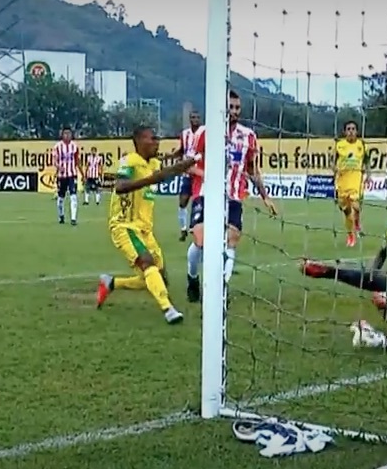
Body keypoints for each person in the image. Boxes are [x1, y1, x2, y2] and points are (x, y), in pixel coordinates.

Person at [96, 126, 199, 324]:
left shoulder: (154, 163)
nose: (157, 141)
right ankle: (168, 310)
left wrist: (192, 161)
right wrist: (151, 179)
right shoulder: (129, 161)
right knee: (147, 263)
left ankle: (111, 283)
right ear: (139, 141)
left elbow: (168, 171)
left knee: (157, 277)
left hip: (145, 229)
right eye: (152, 138)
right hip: (125, 226)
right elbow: (119, 187)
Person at [185, 90, 278, 302]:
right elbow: (189, 165)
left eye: (237, 108)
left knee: (231, 240)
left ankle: (222, 289)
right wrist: (210, 175)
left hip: (234, 196)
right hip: (206, 194)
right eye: (230, 107)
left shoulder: (248, 137)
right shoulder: (205, 133)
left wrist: (265, 197)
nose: (234, 111)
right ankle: (192, 276)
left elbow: (253, 170)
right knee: (201, 241)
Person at [334, 120, 368, 246]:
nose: (351, 131)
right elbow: (333, 161)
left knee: (356, 206)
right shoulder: (339, 145)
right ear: (344, 131)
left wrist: (368, 175)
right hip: (342, 182)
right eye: (348, 129)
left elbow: (367, 161)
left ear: (357, 131)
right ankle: (350, 235)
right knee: (347, 211)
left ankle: (357, 225)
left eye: (353, 129)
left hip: (356, 181)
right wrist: (334, 169)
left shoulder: (361, 145)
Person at [172, 110, 204, 241]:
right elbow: (181, 150)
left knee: (199, 200)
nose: (195, 119)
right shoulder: (184, 134)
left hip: (200, 173)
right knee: (183, 201)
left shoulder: (204, 132)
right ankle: (183, 229)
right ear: (190, 119)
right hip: (187, 173)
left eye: (197, 117)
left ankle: (198, 225)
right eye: (193, 117)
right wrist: (173, 156)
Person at [53, 127, 82, 225]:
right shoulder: (57, 146)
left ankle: (73, 219)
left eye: (69, 133)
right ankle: (61, 215)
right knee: (61, 197)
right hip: (62, 176)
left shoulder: (74, 146)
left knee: (73, 196)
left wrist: (82, 174)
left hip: (72, 174)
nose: (67, 135)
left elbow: (77, 161)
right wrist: (59, 167)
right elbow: (55, 161)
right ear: (62, 135)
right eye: (65, 133)